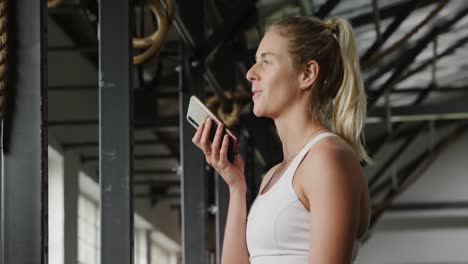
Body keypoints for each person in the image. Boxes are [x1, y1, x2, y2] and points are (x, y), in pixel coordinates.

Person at [192, 16, 371, 264]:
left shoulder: (327, 157)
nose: (251, 74)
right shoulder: (274, 175)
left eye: (266, 62)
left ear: (307, 74)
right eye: (255, 62)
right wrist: (236, 186)